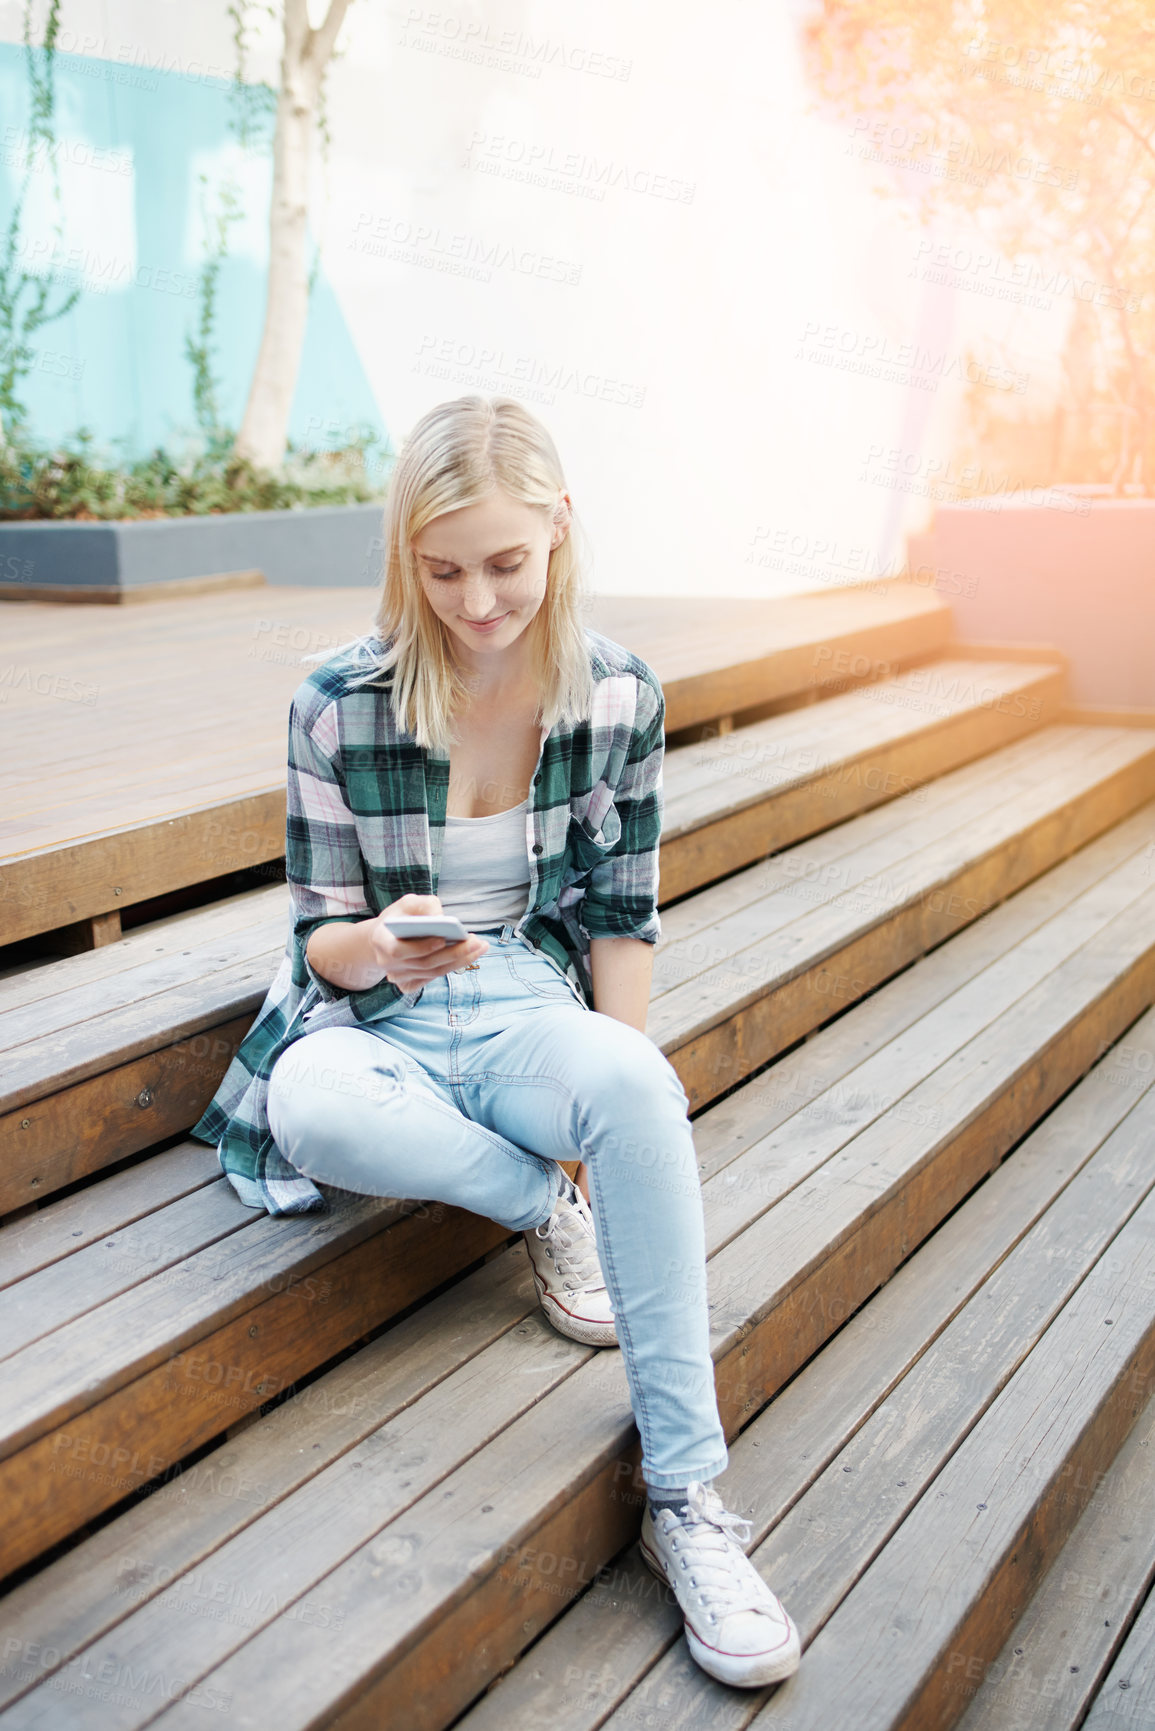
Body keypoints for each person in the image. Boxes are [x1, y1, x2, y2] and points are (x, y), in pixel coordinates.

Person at [191, 394, 801, 1690]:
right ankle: (536, 1202)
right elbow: (319, 943)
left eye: (507, 563)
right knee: (310, 1108)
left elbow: (623, 916)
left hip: (525, 995)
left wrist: (608, 1093)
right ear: (404, 555)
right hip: (377, 1015)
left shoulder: (620, 693)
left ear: (562, 531)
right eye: (444, 568)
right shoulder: (335, 706)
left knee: (636, 1083)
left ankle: (690, 1501)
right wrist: (385, 943)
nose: (477, 601)